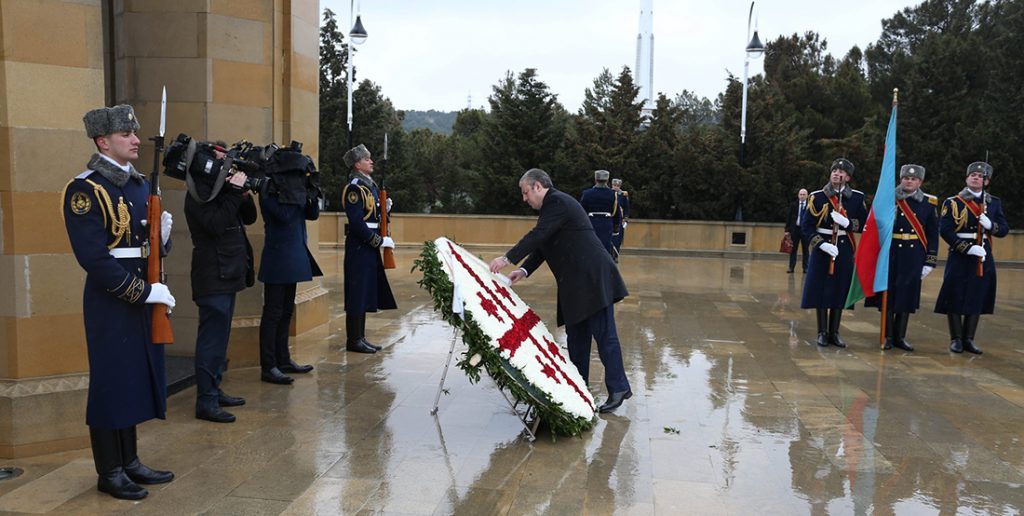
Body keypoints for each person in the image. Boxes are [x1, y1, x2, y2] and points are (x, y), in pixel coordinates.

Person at [61, 104, 175, 499]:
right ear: (103, 141)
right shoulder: (85, 189)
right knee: (111, 383)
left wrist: (163, 239)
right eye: (126, 135)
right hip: (112, 300)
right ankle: (109, 471)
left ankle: (130, 462)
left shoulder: (141, 185)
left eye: (135, 133)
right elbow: (94, 258)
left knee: (133, 379)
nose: (135, 140)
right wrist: (142, 292)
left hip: (144, 296)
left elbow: (147, 247)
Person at [488, 168, 631, 413]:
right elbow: (545, 244)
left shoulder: (557, 201)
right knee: (577, 341)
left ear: (537, 186)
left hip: (592, 279)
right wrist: (523, 271)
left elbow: (539, 235)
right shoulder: (552, 208)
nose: (524, 199)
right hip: (575, 284)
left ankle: (618, 389)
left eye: (525, 192)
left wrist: (507, 258)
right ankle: (578, 388)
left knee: (604, 336)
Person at [184, 143, 257, 422]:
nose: (226, 164)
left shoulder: (222, 188)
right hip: (212, 273)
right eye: (220, 159)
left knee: (220, 336)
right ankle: (206, 401)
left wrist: (243, 193)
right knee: (211, 339)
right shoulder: (199, 192)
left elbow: (249, 218)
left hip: (229, 270)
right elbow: (215, 225)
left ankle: (214, 389)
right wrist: (233, 193)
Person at [257, 152, 322, 384]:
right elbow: (283, 216)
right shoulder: (268, 191)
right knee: (273, 313)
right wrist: (297, 192)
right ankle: (269, 365)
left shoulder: (294, 193)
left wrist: (311, 191)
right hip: (277, 259)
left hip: (293, 257)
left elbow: (312, 214)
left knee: (286, 312)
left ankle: (283, 359)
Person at [934, 161, 1009, 354]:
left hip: (983, 254)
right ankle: (956, 338)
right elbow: (946, 230)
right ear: (966, 178)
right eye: (973, 175)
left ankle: (969, 338)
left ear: (986, 181)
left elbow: (1004, 229)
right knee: (955, 294)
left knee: (977, 294)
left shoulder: (994, 203)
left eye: (980, 176)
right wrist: (966, 248)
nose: (976, 177)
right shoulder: (953, 202)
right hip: (961, 254)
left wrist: (991, 225)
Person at [865, 164, 938, 351]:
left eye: (913, 179)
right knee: (888, 294)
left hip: (914, 254)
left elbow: (932, 234)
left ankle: (900, 336)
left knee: (907, 295)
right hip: (891, 252)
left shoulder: (928, 203)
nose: (909, 181)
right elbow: (875, 224)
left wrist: (930, 260)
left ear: (920, 182)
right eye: (906, 178)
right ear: (900, 179)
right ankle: (887, 335)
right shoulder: (889, 199)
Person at [801, 158, 868, 348]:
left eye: (841, 171)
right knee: (821, 290)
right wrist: (820, 244)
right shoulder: (818, 196)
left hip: (844, 248)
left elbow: (865, 224)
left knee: (840, 290)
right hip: (823, 248)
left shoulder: (856, 197)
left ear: (848, 177)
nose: (837, 173)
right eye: (834, 170)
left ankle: (835, 332)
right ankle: (822, 332)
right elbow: (806, 226)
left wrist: (849, 224)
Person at [342, 144, 397, 353]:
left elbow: (375, 216)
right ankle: (353, 340)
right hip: (360, 246)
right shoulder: (355, 188)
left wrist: (386, 210)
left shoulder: (370, 186)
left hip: (367, 246)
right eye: (367, 159)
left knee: (363, 291)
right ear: (357, 164)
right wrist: (378, 241)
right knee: (356, 292)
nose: (371, 162)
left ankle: (360, 337)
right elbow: (356, 224)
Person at [579, 169, 621, 256]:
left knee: (591, 247)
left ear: (595, 180)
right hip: (606, 224)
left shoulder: (587, 193)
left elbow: (581, 211)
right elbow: (617, 213)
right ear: (607, 180)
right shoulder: (613, 194)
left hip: (591, 223)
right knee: (605, 247)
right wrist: (616, 227)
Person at [785, 188, 810, 273]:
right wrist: (787, 230)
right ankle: (791, 267)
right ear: (798, 195)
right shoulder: (793, 205)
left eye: (804, 195)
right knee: (793, 249)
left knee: (806, 250)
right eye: (801, 194)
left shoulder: (810, 206)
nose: (802, 196)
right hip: (795, 230)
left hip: (805, 230)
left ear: (807, 196)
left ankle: (806, 268)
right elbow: (789, 217)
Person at [611, 178, 630, 260]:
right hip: (611, 218)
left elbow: (626, 208)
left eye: (617, 186)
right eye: (614, 185)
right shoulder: (609, 193)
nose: (616, 187)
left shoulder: (623, 195)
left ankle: (615, 255)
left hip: (619, 219)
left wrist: (625, 218)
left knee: (618, 238)